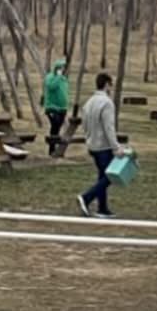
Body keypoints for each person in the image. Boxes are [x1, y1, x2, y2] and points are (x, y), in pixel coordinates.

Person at [77, 72, 124, 218]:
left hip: (92, 144)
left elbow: (84, 123)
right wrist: (116, 147)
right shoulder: (107, 103)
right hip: (104, 146)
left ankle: (102, 208)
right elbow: (109, 127)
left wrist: (88, 137)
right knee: (110, 176)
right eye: (111, 85)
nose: (111, 88)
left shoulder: (89, 102)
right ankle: (86, 197)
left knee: (102, 175)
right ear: (106, 84)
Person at [42, 58, 71, 157]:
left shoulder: (63, 79)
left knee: (58, 127)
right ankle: (52, 149)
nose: (62, 69)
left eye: (63, 67)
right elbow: (51, 87)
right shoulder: (50, 77)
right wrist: (58, 77)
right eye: (61, 67)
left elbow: (65, 91)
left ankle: (56, 150)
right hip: (52, 107)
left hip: (62, 108)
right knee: (55, 125)